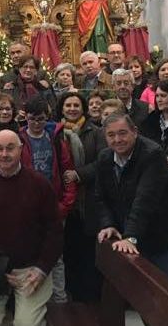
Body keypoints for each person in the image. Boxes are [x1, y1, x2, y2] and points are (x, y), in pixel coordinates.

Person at [0, 131, 62, 326]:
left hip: (31, 271)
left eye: (10, 148)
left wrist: (41, 269)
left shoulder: (40, 185)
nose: (4, 154)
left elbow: (54, 232)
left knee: (25, 324)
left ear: (20, 149)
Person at [95, 114, 168, 284]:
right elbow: (101, 197)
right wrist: (108, 224)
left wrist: (131, 236)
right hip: (133, 233)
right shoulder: (105, 158)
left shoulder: (152, 154)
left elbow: (145, 199)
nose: (117, 139)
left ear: (135, 132)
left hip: (163, 237)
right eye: (111, 135)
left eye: (123, 133)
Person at [19, 98, 76, 303]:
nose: (36, 123)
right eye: (32, 119)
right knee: (31, 254)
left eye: (41, 119)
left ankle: (59, 299)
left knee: (56, 256)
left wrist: (66, 204)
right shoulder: (19, 140)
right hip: (28, 207)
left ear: (47, 118)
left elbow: (68, 172)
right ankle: (33, 300)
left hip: (54, 205)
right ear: (26, 118)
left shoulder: (55, 140)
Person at [57, 92, 106, 301]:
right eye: (68, 105)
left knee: (87, 252)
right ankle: (70, 293)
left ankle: (88, 297)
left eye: (76, 105)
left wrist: (79, 174)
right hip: (65, 199)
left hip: (88, 200)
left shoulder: (95, 132)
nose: (72, 109)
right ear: (61, 108)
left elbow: (103, 161)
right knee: (68, 250)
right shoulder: (55, 132)